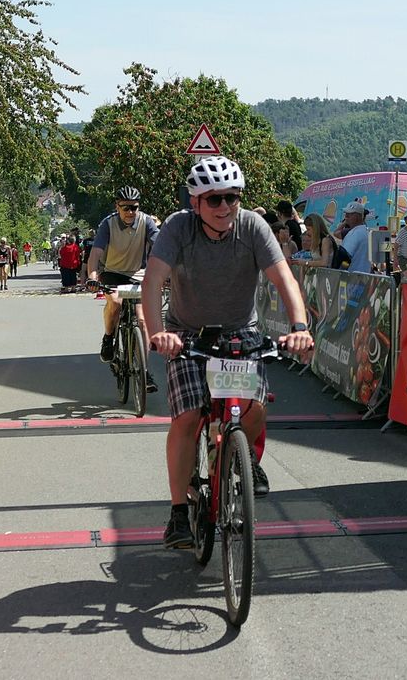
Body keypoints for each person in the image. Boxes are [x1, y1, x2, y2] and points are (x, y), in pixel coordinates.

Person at [141, 156, 314, 550]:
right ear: (196, 202)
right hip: (187, 335)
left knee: (254, 410)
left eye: (231, 198)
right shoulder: (178, 228)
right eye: (214, 199)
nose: (224, 207)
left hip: (240, 332)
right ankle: (178, 512)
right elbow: (153, 281)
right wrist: (158, 334)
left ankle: (238, 458)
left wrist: (299, 328)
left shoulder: (252, 226)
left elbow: (284, 279)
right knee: (188, 416)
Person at [85, 187, 160, 383]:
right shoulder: (107, 224)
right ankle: (108, 337)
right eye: (125, 208)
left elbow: (161, 247)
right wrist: (93, 276)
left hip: (138, 275)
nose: (130, 212)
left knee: (142, 320)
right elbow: (95, 254)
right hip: (112, 273)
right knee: (116, 303)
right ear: (117, 207)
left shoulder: (146, 222)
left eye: (134, 207)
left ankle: (143, 370)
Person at [338, 202, 372, 273]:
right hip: (364, 275)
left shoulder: (355, 233)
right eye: (345, 214)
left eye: (349, 215)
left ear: (357, 217)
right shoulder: (366, 232)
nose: (346, 217)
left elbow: (345, 258)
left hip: (351, 276)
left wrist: (340, 272)